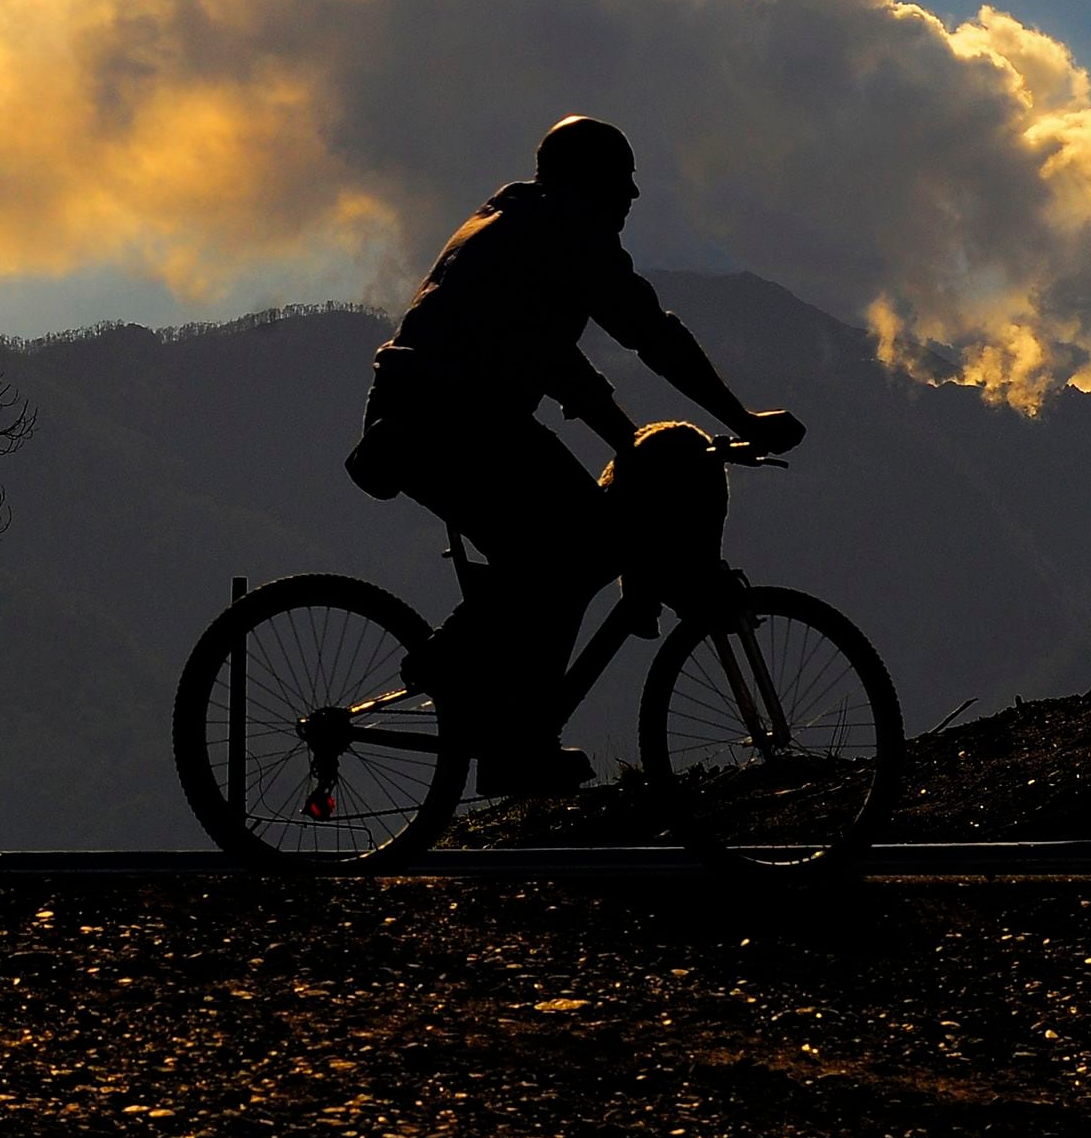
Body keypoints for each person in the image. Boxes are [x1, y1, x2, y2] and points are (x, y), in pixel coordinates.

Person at [344, 116, 805, 795]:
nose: (631, 200)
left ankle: (508, 729)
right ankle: (472, 688)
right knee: (574, 543)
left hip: (444, 414)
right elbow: (652, 333)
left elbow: (563, 369)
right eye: (621, 183)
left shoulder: (519, 225)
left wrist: (627, 442)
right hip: (445, 417)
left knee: (570, 547)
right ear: (588, 182)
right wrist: (742, 419)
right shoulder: (563, 230)